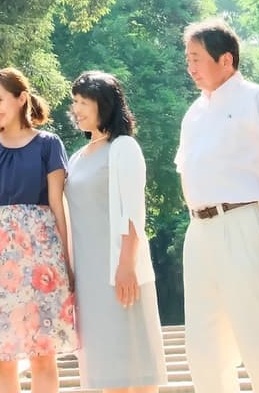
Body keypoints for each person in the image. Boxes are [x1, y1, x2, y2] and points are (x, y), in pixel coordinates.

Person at [176, 18, 259, 393]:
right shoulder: (193, 114)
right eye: (188, 59)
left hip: (247, 220)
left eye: (198, 58)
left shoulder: (257, 99)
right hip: (199, 232)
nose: (191, 68)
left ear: (227, 60)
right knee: (205, 347)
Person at [0, 68, 77, 393]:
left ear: (21, 98)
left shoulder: (48, 144)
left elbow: (58, 206)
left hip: (40, 257)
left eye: (0, 99)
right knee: (2, 356)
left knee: (43, 354)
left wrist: (67, 262)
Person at [65, 71, 166, 393]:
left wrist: (126, 266)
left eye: (84, 102)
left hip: (119, 274)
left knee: (132, 370)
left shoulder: (123, 147)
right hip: (87, 279)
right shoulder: (78, 157)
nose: (77, 109)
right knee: (103, 372)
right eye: (75, 102)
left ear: (104, 105)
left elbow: (133, 213)